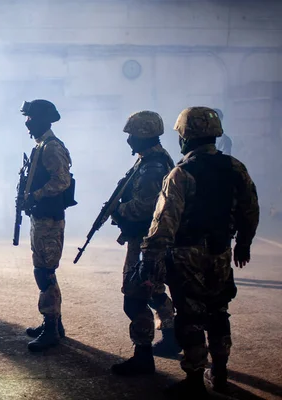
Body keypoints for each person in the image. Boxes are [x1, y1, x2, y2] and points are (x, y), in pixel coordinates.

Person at [140, 107, 259, 396]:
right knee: (219, 311)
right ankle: (219, 373)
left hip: (186, 254)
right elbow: (250, 208)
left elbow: (164, 221)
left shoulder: (180, 174)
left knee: (190, 316)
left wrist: (151, 258)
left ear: (187, 137)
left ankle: (194, 380)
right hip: (220, 252)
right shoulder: (235, 167)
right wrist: (243, 242)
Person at [110, 111, 180, 376]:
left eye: (132, 135)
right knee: (153, 291)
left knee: (134, 300)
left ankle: (143, 356)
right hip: (152, 241)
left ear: (143, 134)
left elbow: (144, 207)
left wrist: (118, 210)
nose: (128, 140)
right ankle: (171, 337)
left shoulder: (151, 168)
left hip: (146, 242)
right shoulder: (152, 160)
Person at [21, 99, 76, 352]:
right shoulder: (42, 145)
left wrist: (36, 195)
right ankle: (54, 323)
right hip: (42, 218)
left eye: (30, 118)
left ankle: (51, 328)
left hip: (49, 220)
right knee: (43, 270)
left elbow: (62, 180)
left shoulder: (51, 147)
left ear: (42, 119)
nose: (27, 122)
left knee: (45, 273)